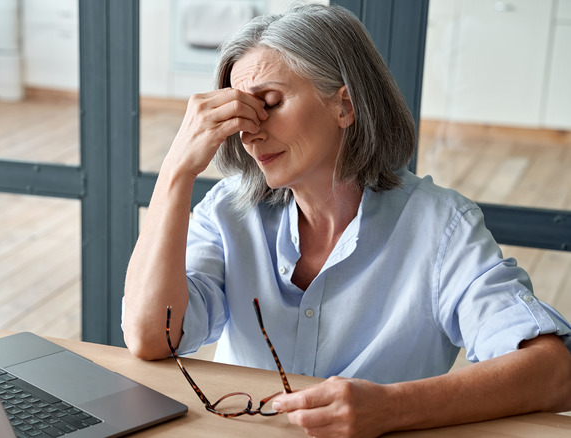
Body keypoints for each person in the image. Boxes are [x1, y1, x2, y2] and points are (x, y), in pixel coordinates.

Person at [122, 2, 571, 437]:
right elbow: (150, 338)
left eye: (270, 103)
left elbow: (554, 372)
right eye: (241, 111)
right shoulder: (228, 211)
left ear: (345, 106)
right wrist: (177, 170)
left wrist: (392, 408)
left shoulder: (441, 226)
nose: (250, 131)